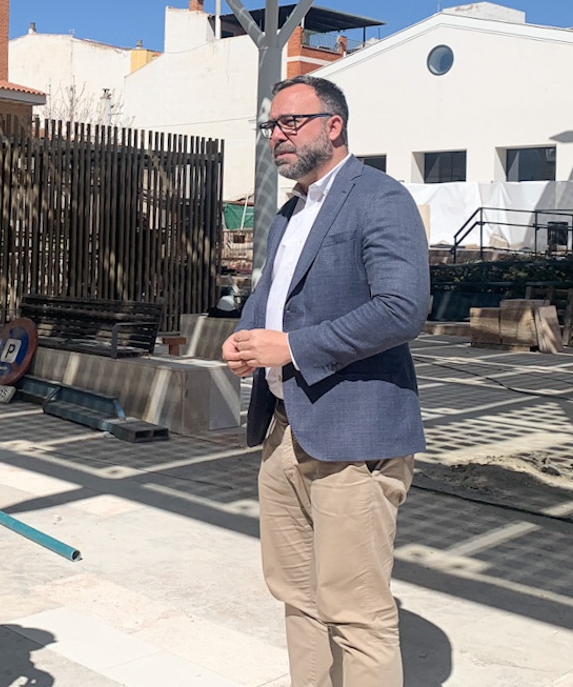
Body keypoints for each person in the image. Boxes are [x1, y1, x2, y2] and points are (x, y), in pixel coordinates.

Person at [223, 76, 429, 687]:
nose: (277, 138)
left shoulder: (380, 199)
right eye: (271, 127)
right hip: (286, 431)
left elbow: (402, 308)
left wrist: (290, 347)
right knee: (297, 595)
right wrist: (244, 338)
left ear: (333, 126)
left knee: (355, 610)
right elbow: (272, 296)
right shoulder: (292, 210)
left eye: (291, 123)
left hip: (353, 441)